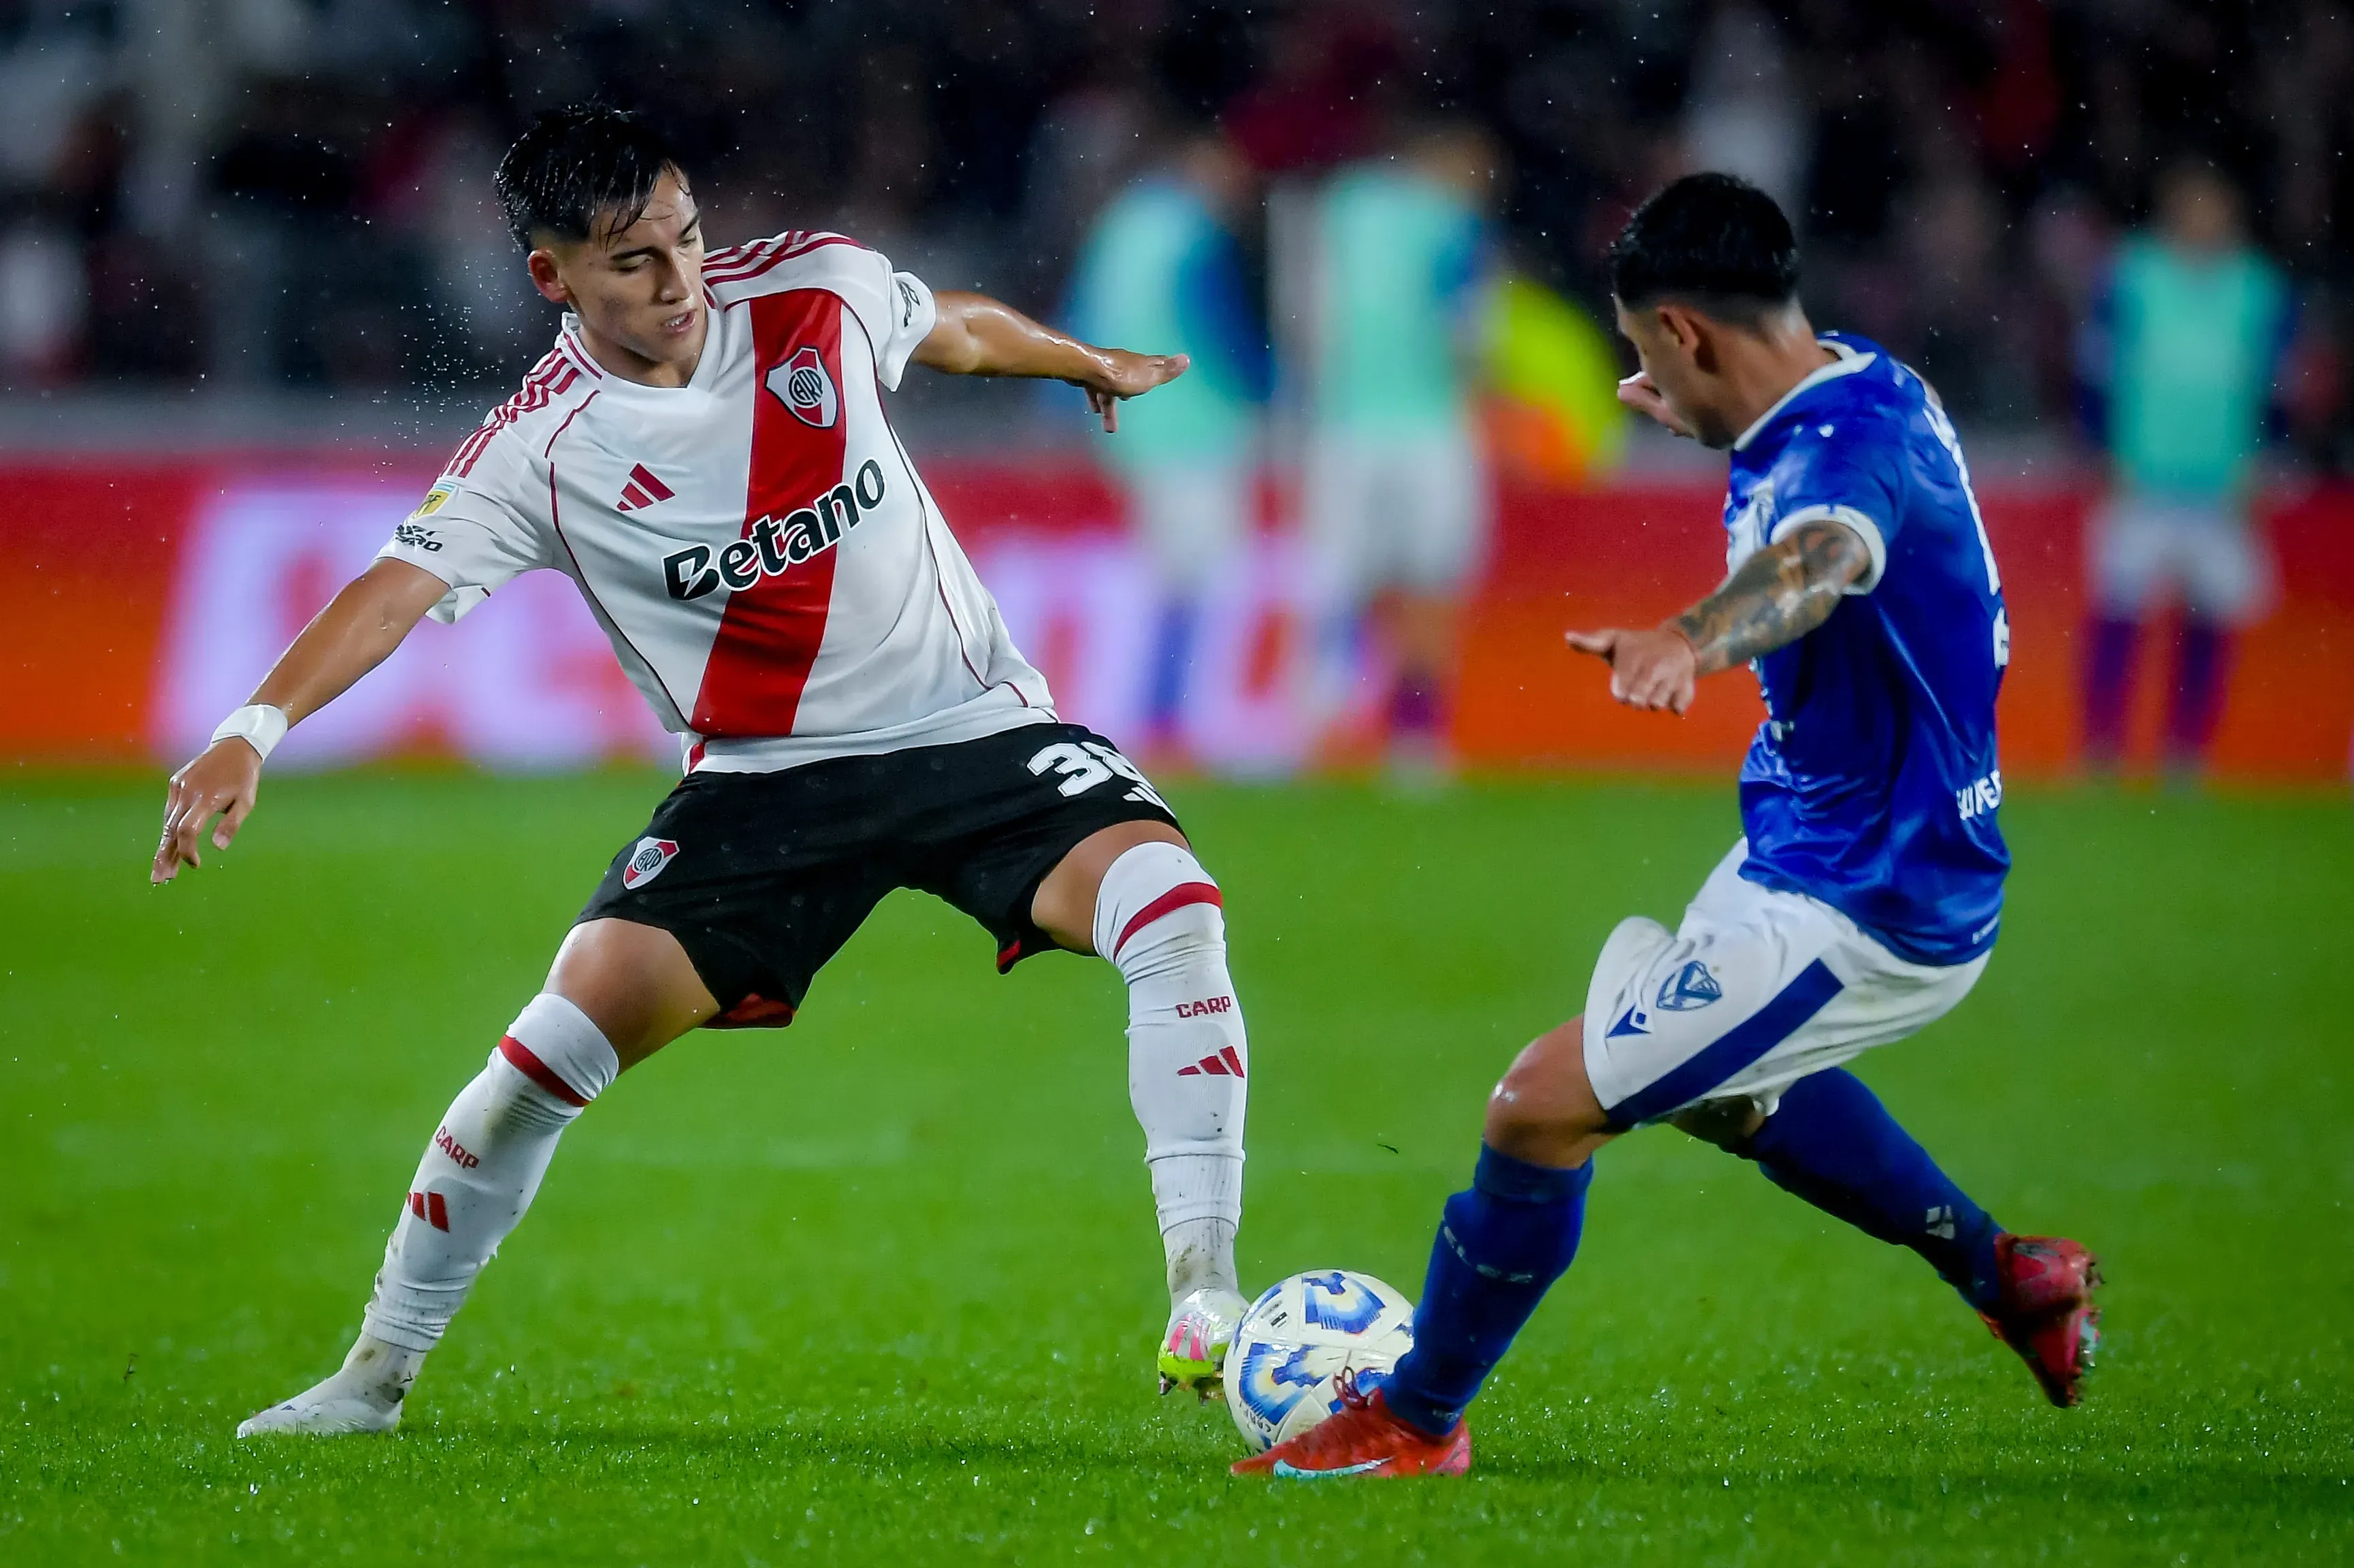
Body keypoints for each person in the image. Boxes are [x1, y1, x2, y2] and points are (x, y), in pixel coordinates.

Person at [152, 105, 1256, 1435]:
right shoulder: (540, 453)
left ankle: (1208, 1294)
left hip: (977, 730)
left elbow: (947, 325)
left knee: (1171, 908)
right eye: (633, 262)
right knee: (544, 1054)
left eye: (686, 238)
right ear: (551, 275)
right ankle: (373, 1378)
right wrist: (251, 726)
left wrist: (1080, 360)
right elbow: (394, 591)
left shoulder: (813, 289)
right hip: (762, 785)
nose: (680, 283)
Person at [1237, 174, 2099, 1480]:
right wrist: (1699, 414)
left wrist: (1690, 637)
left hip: (1871, 898)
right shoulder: (1859, 376)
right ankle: (2006, 1271)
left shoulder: (1835, 458)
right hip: (1810, 846)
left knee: (1536, 1106)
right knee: (1727, 1098)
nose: (1643, 381)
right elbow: (1809, 488)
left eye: (1646, 351)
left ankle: (1416, 1417)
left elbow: (1819, 559)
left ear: (1690, 331)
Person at [2076, 160, 2292, 777]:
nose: (2203, 219)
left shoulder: (2258, 288)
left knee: (2210, 620)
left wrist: (2262, 456)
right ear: (2173, 207)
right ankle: (2102, 750)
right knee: (2119, 610)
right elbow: (2097, 364)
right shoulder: (2134, 275)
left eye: (2215, 206)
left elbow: (2276, 382)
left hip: (2221, 484)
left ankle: (2187, 754)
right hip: (2141, 474)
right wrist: (2101, 445)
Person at [1064, 129, 1272, 762]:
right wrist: (1265, 394)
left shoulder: (1120, 226)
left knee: (1169, 574)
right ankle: (1180, 718)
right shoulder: (1191, 233)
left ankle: (1159, 714)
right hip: (1197, 426)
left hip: (1133, 428)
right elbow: (1216, 327)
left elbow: (1081, 317)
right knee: (1205, 578)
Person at [1299, 120, 1494, 776]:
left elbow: (1312, 314)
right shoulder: (1454, 223)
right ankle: (1416, 740)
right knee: (1431, 584)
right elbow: (1468, 336)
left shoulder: (1344, 206)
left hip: (1346, 425)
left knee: (1341, 581)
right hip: (1431, 428)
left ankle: (1321, 729)